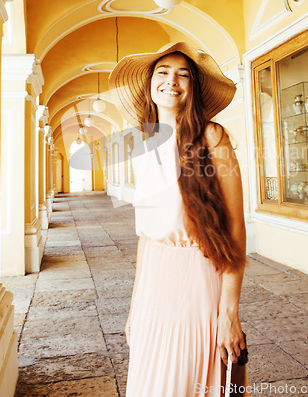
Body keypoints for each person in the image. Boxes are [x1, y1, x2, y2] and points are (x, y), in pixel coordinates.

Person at [108, 42, 247, 397]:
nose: (173, 81)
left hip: (197, 278)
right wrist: (135, 306)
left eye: (183, 75)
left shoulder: (212, 137)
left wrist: (229, 312)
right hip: (153, 284)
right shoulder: (145, 146)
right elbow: (147, 237)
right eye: (163, 73)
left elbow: (235, 226)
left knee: (185, 378)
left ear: (192, 89)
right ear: (150, 85)